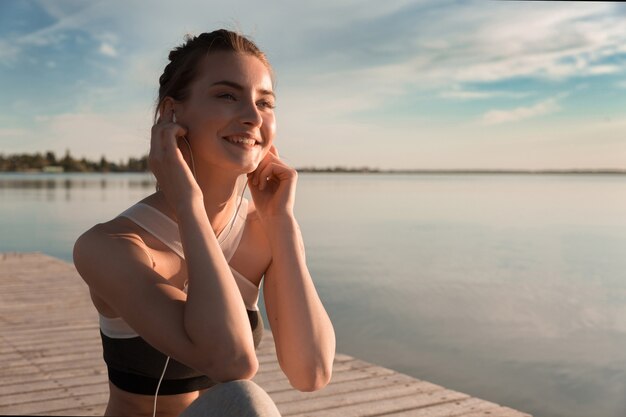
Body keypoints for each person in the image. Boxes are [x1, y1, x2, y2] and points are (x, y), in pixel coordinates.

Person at [72, 29, 336, 417]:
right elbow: (231, 362)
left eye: (265, 103)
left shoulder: (263, 233)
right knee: (243, 400)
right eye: (227, 95)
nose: (251, 117)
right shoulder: (110, 244)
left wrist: (283, 223)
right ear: (171, 113)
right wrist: (188, 202)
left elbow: (311, 372)